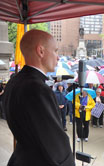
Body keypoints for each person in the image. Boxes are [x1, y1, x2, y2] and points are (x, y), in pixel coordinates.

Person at [2, 29, 75, 166]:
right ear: (41, 51)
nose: (58, 57)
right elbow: (55, 144)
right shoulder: (38, 89)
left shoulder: (14, 81)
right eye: (55, 51)